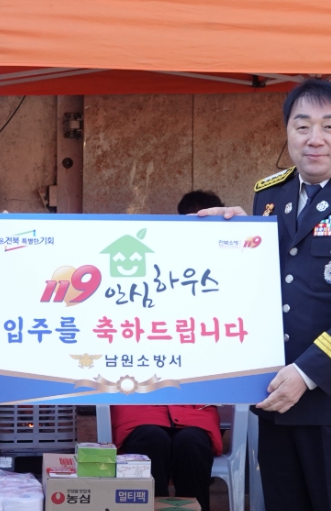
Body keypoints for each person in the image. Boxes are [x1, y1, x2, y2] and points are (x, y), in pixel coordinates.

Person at [199, 79, 331, 511]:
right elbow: (264, 286)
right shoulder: (269, 196)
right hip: (279, 403)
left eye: (329, 126)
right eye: (302, 126)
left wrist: (307, 373)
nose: (315, 138)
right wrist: (230, 237)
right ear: (288, 133)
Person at [111, 191, 226, 511]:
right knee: (151, 439)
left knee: (192, 444)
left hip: (195, 408)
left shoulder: (226, 275)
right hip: (139, 404)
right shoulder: (146, 267)